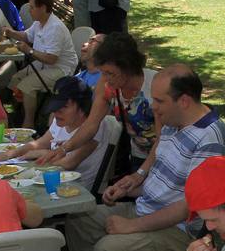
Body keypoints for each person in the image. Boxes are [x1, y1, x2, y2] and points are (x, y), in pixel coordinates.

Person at [65, 65, 225, 251]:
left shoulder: (210, 138)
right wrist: (129, 189)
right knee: (79, 221)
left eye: (160, 101)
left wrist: (130, 226)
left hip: (179, 230)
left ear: (184, 101)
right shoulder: (174, 123)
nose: (154, 107)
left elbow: (188, 208)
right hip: (147, 209)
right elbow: (166, 181)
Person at [52, 32, 156, 166]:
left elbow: (165, 138)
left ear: (128, 67)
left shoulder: (155, 85)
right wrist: (64, 149)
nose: (105, 79)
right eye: (103, 72)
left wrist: (141, 174)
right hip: (139, 155)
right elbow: (91, 124)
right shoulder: (107, 85)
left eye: (110, 73)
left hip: (169, 157)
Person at [12, 76, 119, 190]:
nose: (56, 111)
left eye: (63, 107)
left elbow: (68, 163)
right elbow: (40, 143)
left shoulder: (95, 127)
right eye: (55, 106)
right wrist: (11, 154)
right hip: (54, 178)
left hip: (79, 189)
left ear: (82, 109)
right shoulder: (61, 121)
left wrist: (40, 153)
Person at [4, 0, 77, 127]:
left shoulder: (55, 28)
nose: (29, 11)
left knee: (27, 86)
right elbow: (27, 36)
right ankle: (15, 114)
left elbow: (51, 59)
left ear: (43, 8)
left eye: (32, 7)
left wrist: (29, 50)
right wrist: (11, 32)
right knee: (15, 79)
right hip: (45, 64)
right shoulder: (39, 23)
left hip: (61, 70)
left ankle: (29, 123)